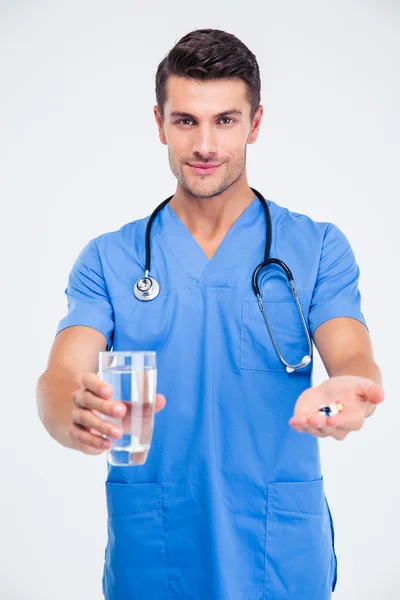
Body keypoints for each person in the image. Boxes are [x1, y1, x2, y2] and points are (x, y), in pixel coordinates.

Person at [36, 28, 384, 600]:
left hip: (278, 547)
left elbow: (353, 359)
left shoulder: (317, 247)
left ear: (256, 123)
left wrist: (347, 392)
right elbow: (60, 376)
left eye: (225, 120)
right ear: (159, 122)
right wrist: (68, 416)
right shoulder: (111, 257)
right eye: (185, 121)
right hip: (157, 544)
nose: (204, 145)